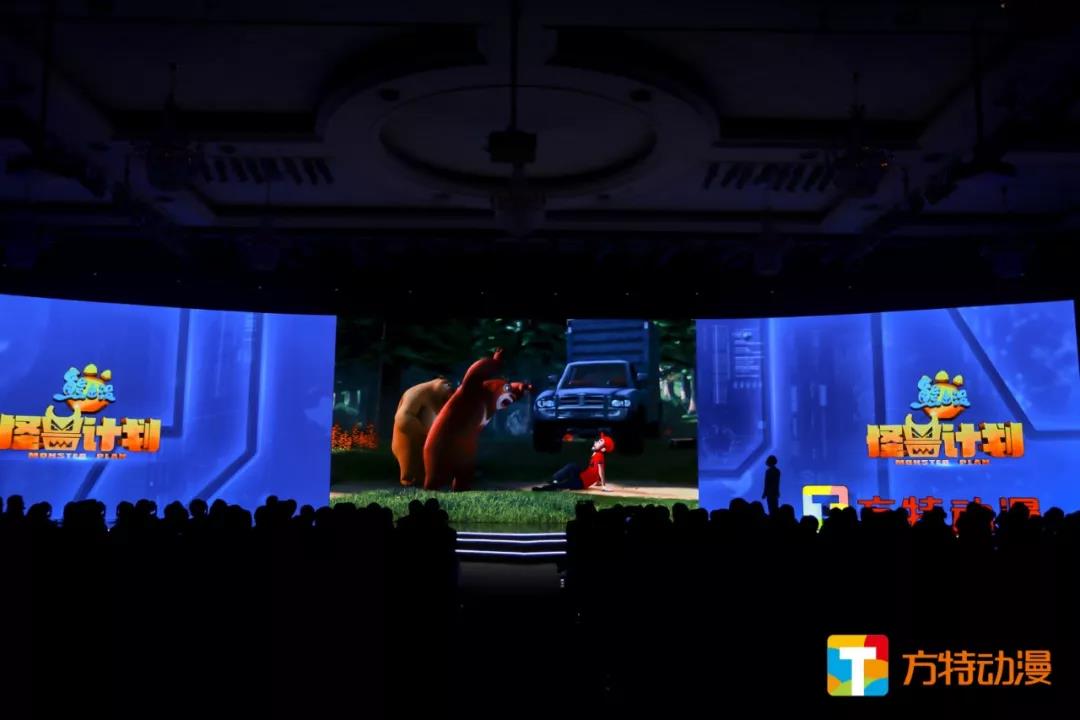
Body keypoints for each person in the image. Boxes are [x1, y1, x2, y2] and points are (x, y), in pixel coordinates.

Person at [533, 433, 614, 492]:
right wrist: (597, 481)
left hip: (582, 482)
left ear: (603, 449)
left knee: (564, 484)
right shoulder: (596, 454)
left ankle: (545, 488)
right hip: (582, 476)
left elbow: (601, 470)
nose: (596, 442)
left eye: (599, 442)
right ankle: (554, 479)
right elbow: (596, 469)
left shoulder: (599, 455)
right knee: (572, 466)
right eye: (598, 440)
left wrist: (603, 486)